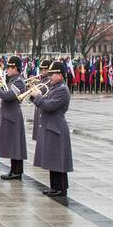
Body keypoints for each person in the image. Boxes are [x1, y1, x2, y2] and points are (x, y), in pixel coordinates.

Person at [33, 61, 72, 196]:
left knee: (58, 160)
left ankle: (60, 188)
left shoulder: (62, 89)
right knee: (53, 159)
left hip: (56, 127)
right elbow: (43, 103)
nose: (50, 77)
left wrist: (37, 96)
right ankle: (55, 187)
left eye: (53, 74)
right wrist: (34, 97)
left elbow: (49, 106)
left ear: (60, 75)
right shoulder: (55, 87)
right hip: (51, 126)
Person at [0, 56, 27, 180]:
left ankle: (17, 171)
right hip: (9, 114)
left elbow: (9, 96)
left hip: (13, 114)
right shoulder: (12, 80)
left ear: (15, 68)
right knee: (14, 144)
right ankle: (14, 170)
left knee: (16, 144)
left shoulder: (18, 81)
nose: (7, 70)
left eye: (9, 67)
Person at [31, 59, 51, 141]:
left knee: (43, 139)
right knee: (39, 140)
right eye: (41, 69)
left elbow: (43, 91)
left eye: (45, 69)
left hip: (44, 111)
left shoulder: (49, 81)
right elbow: (35, 98)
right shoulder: (41, 80)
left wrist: (35, 87)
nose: (43, 71)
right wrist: (31, 91)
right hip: (38, 109)